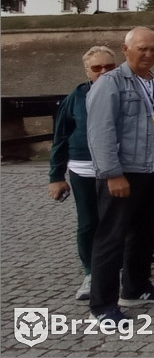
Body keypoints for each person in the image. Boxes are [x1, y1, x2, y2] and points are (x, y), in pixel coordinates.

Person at [86, 27, 154, 323]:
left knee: (144, 234)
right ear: (126, 50)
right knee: (111, 238)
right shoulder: (111, 83)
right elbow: (101, 132)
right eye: (142, 49)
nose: (149, 54)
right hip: (123, 173)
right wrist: (112, 174)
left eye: (153, 49)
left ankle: (136, 287)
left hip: (152, 172)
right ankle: (102, 304)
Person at [48, 45, 117, 301]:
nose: (103, 72)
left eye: (108, 67)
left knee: (117, 221)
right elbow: (60, 137)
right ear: (88, 71)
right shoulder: (75, 98)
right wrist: (56, 176)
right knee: (89, 222)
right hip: (84, 168)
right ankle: (90, 271)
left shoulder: (124, 92)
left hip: (118, 169)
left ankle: (116, 268)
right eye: (96, 68)